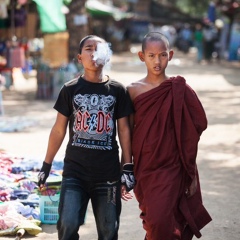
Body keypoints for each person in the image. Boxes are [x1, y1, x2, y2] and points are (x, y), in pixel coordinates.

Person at [37, 35, 135, 240]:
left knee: (109, 231)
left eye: (98, 49)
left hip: (108, 175)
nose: (93, 53)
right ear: (79, 58)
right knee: (67, 224)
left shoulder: (118, 90)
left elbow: (125, 130)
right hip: (75, 173)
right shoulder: (70, 89)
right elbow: (58, 130)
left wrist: (127, 167)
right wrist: (46, 165)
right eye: (88, 49)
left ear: (106, 56)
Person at [127, 32, 212, 240]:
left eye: (163, 55)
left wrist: (190, 170)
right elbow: (127, 132)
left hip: (173, 165)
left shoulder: (179, 89)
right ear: (141, 56)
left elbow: (195, 129)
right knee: (154, 220)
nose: (157, 61)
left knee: (161, 221)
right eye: (151, 56)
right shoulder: (132, 91)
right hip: (145, 165)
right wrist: (125, 167)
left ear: (170, 55)